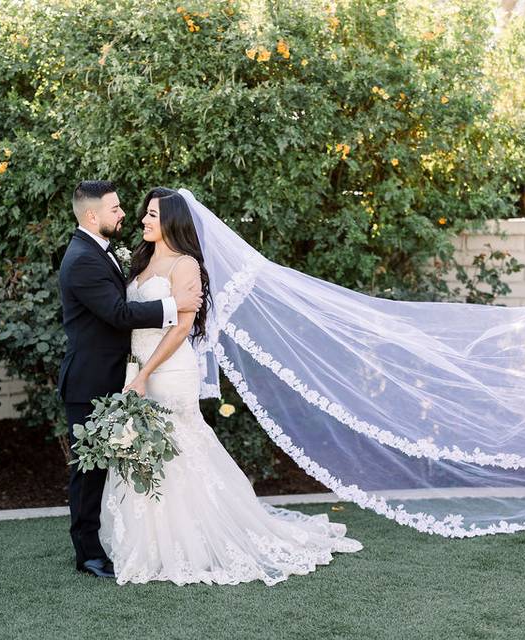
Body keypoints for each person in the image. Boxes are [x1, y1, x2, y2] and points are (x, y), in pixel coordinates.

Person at [99, 187, 362, 586]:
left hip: (168, 370)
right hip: (139, 369)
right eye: (145, 215)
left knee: (178, 451)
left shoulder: (185, 265)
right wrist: (134, 371)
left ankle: (194, 542)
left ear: (171, 221)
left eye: (152, 215)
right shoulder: (141, 262)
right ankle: (151, 542)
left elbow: (182, 327)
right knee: (147, 452)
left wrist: (145, 373)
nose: (143, 221)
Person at [57, 180, 202, 579]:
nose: (126, 215)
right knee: (87, 473)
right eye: (116, 208)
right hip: (91, 382)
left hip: (126, 375)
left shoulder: (100, 252)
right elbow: (119, 315)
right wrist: (175, 305)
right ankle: (87, 554)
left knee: (121, 466)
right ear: (92, 215)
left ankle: (157, 540)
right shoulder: (83, 258)